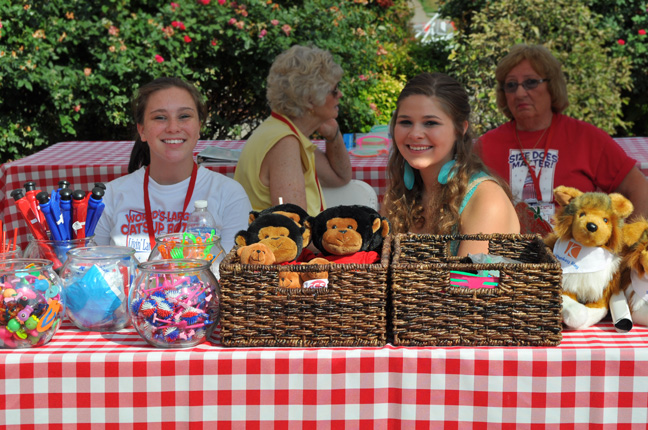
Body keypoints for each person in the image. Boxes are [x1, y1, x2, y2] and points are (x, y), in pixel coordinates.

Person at [476, 43, 648, 227]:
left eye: (531, 82)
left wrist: (626, 245)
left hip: (574, 252)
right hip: (507, 253)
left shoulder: (586, 138)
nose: (519, 93)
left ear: (552, 86)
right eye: (510, 85)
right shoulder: (483, 147)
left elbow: (641, 189)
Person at [94, 77, 252, 262]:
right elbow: (93, 271)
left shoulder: (230, 195)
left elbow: (231, 275)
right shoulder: (110, 196)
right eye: (160, 117)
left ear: (199, 126)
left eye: (184, 116)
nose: (173, 127)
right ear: (142, 130)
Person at [382, 72, 520, 256]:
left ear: (460, 129)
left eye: (430, 123)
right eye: (405, 122)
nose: (415, 133)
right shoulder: (401, 193)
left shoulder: (486, 199)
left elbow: (470, 283)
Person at [234, 45, 352, 217]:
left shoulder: (281, 130)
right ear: (310, 99)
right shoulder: (284, 142)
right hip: (281, 243)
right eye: (334, 90)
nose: (340, 94)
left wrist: (333, 135)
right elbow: (295, 225)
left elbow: (340, 177)